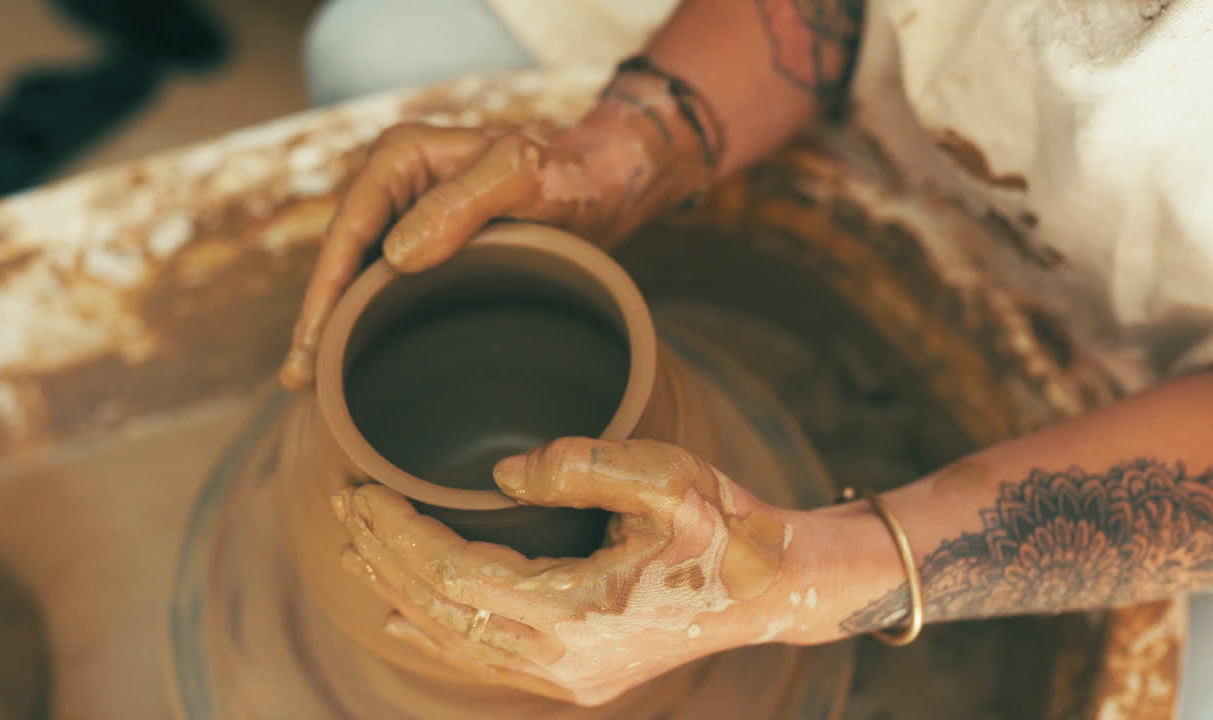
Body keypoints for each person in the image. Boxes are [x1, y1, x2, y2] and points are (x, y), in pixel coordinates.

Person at [288, 0, 1213, 715]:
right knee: (374, 53)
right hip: (883, 92)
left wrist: (804, 579)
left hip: (1161, 372)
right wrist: (621, 153)